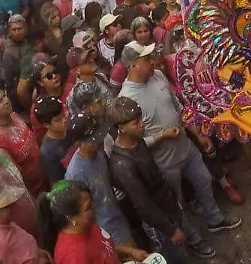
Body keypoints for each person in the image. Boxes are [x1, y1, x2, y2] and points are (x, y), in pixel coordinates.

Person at [116, 42, 241, 234]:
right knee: (177, 202)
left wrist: (198, 135)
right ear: (133, 66)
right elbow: (135, 145)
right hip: (164, 163)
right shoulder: (127, 98)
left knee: (204, 181)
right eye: (146, 59)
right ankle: (192, 238)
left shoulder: (157, 76)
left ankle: (215, 219)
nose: (152, 62)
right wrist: (161, 136)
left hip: (186, 148)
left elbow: (178, 107)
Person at [106, 97, 216, 260]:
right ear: (121, 128)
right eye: (136, 123)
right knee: (177, 256)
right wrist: (170, 230)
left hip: (168, 203)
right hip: (159, 220)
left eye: (140, 120)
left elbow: (155, 173)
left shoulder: (137, 141)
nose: (142, 124)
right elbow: (144, 205)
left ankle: (194, 242)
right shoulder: (123, 165)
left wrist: (172, 197)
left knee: (184, 234)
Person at [61, 113, 135, 259]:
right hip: (107, 232)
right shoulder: (76, 175)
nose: (100, 141)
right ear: (79, 142)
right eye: (93, 140)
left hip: (119, 220)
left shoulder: (98, 153)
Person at [37, 180, 148, 264]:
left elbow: (105, 247)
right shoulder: (73, 257)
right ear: (71, 217)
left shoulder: (87, 225)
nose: (94, 207)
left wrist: (132, 252)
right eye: (88, 207)